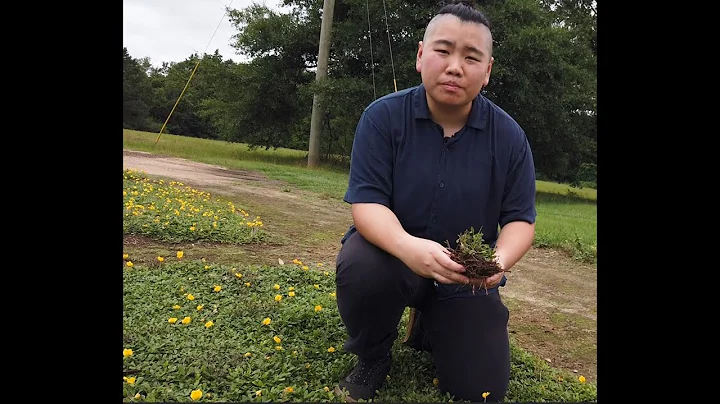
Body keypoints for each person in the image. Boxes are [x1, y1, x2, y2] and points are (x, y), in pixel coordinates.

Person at [333, 0, 537, 402]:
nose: (455, 66)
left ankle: (431, 324)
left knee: (481, 390)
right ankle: (373, 355)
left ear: (488, 71)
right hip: (393, 257)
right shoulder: (382, 118)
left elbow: (520, 221)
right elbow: (367, 205)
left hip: (467, 275)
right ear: (421, 55)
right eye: (443, 51)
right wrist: (410, 248)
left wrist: (495, 263)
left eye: (471, 57)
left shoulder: (510, 137)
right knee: (361, 266)